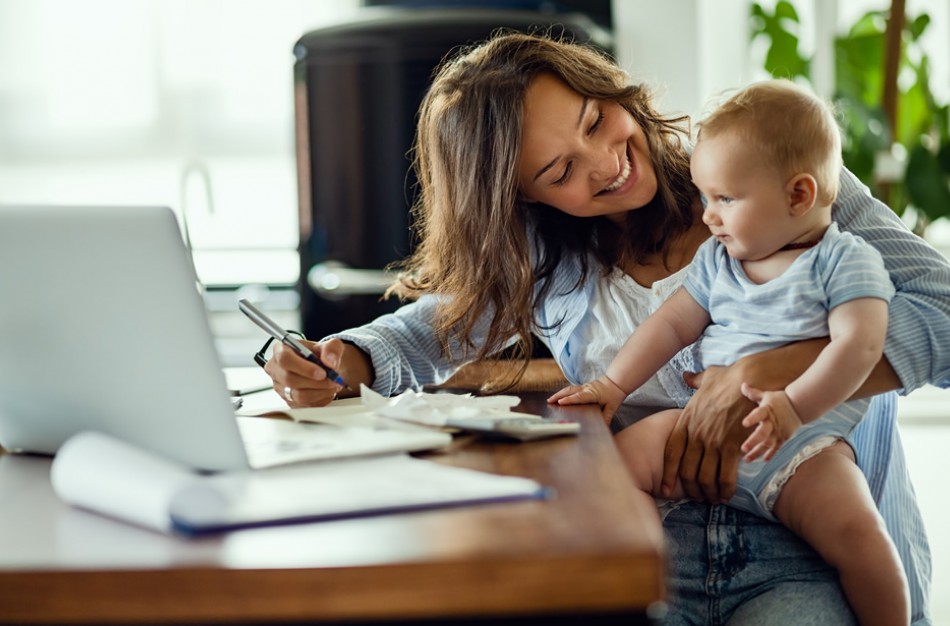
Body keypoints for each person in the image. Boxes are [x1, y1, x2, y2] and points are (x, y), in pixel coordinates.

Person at [263, 32, 949, 624]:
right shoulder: (546, 253)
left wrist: (772, 369)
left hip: (812, 541)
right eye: (560, 170)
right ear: (522, 196)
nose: (607, 164)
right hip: (653, 538)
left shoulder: (773, 178)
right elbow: (425, 332)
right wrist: (343, 357)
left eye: (596, 121)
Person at [549, 79, 908, 624]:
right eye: (705, 197)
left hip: (803, 448)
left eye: (726, 200)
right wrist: (614, 384)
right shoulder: (720, 261)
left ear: (798, 196)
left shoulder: (845, 262)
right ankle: (653, 570)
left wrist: (795, 407)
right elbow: (670, 325)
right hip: (696, 427)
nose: (709, 216)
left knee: (861, 536)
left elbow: (860, 347)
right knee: (612, 466)